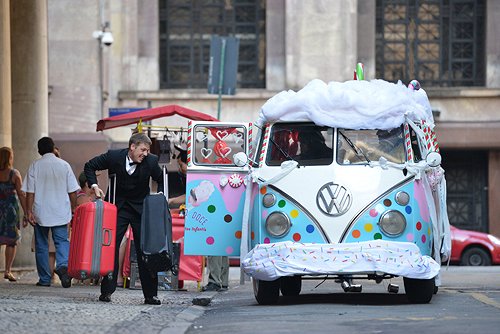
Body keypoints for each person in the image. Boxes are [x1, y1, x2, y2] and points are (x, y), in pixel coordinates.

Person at [84, 132, 164, 305]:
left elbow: (161, 178)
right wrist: (95, 186)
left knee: (145, 251)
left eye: (147, 151)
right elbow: (89, 166)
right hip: (118, 207)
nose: (145, 153)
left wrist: (159, 197)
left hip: (140, 209)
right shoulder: (114, 157)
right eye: (143, 149)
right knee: (110, 247)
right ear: (132, 147)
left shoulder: (150, 161)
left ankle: (150, 294)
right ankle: (107, 290)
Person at [22, 137, 79, 288]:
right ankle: (63, 267)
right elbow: (73, 191)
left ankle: (45, 279)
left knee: (41, 245)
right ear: (54, 148)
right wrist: (74, 207)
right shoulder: (64, 165)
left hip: (41, 212)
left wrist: (28, 212)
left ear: (39, 150)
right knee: (61, 242)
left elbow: (30, 192)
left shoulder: (35, 166)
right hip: (61, 211)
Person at [0, 147, 28, 282]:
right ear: (10, 158)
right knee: (11, 242)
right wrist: (27, 212)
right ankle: (7, 271)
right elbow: (22, 195)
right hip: (11, 211)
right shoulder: (14, 174)